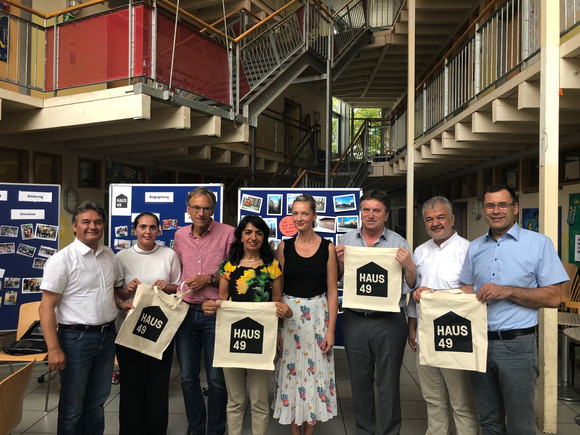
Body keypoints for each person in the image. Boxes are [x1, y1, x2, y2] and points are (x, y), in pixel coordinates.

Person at [460, 184, 568, 434]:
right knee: (488, 420)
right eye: (490, 205)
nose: (496, 211)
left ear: (515, 208)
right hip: (478, 344)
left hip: (517, 345)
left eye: (502, 205)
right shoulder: (475, 247)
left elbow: (554, 297)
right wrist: (433, 296)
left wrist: (508, 290)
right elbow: (467, 289)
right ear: (484, 210)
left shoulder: (539, 244)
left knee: (520, 422)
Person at [335, 190, 417, 435]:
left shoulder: (398, 242)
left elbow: (410, 284)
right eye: (366, 210)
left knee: (389, 382)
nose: (370, 215)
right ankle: (364, 429)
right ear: (361, 212)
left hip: (389, 321)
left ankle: (391, 430)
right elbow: (338, 280)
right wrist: (339, 263)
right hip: (355, 319)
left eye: (376, 210)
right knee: (359, 380)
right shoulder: (347, 240)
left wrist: (409, 265)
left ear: (386, 215)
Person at [203, 215, 292, 435]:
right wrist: (212, 306)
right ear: (241, 236)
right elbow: (223, 300)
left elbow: (277, 302)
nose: (253, 237)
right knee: (234, 401)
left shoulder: (273, 266)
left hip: (262, 339)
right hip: (232, 339)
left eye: (259, 233)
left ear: (264, 237)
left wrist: (283, 317)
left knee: (260, 402)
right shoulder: (229, 266)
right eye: (248, 232)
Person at [39, 202, 117, 435]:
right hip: (75, 340)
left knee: (97, 403)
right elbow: (45, 308)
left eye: (97, 222)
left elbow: (104, 293)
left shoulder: (109, 255)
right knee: (72, 407)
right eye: (86, 222)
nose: (92, 226)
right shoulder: (62, 260)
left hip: (106, 336)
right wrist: (53, 349)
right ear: (75, 227)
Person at [407, 196, 479, 435]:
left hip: (455, 334)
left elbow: (474, 291)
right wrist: (412, 328)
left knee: (461, 401)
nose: (435, 223)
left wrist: (435, 294)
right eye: (430, 219)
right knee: (432, 397)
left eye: (440, 217)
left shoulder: (468, 250)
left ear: (452, 218)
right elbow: (414, 292)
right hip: (425, 334)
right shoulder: (420, 251)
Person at [273, 194, 339, 434]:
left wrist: (331, 329)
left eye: (304, 213)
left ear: (314, 216)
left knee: (315, 375)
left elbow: (332, 291)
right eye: (295, 213)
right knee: (291, 374)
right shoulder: (284, 247)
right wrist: (278, 328)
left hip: (318, 316)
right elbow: (277, 291)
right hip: (290, 317)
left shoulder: (327, 248)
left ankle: (309, 432)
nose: (299, 218)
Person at [173, 187, 235, 435]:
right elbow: (177, 269)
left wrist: (210, 278)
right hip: (185, 312)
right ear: (188, 210)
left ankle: (216, 428)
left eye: (206, 208)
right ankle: (196, 427)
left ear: (213, 209)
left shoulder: (228, 233)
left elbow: (235, 271)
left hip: (215, 312)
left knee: (216, 379)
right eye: (196, 208)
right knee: (188, 377)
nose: (201, 212)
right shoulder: (179, 235)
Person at [114, 212, 181, 435]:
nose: (148, 232)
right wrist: (127, 292)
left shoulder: (169, 255)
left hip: (160, 331)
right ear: (134, 230)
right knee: (132, 386)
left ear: (159, 230)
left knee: (158, 386)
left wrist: (168, 287)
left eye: (153, 227)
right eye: (143, 227)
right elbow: (115, 292)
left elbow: (179, 291)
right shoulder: (122, 257)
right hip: (130, 330)